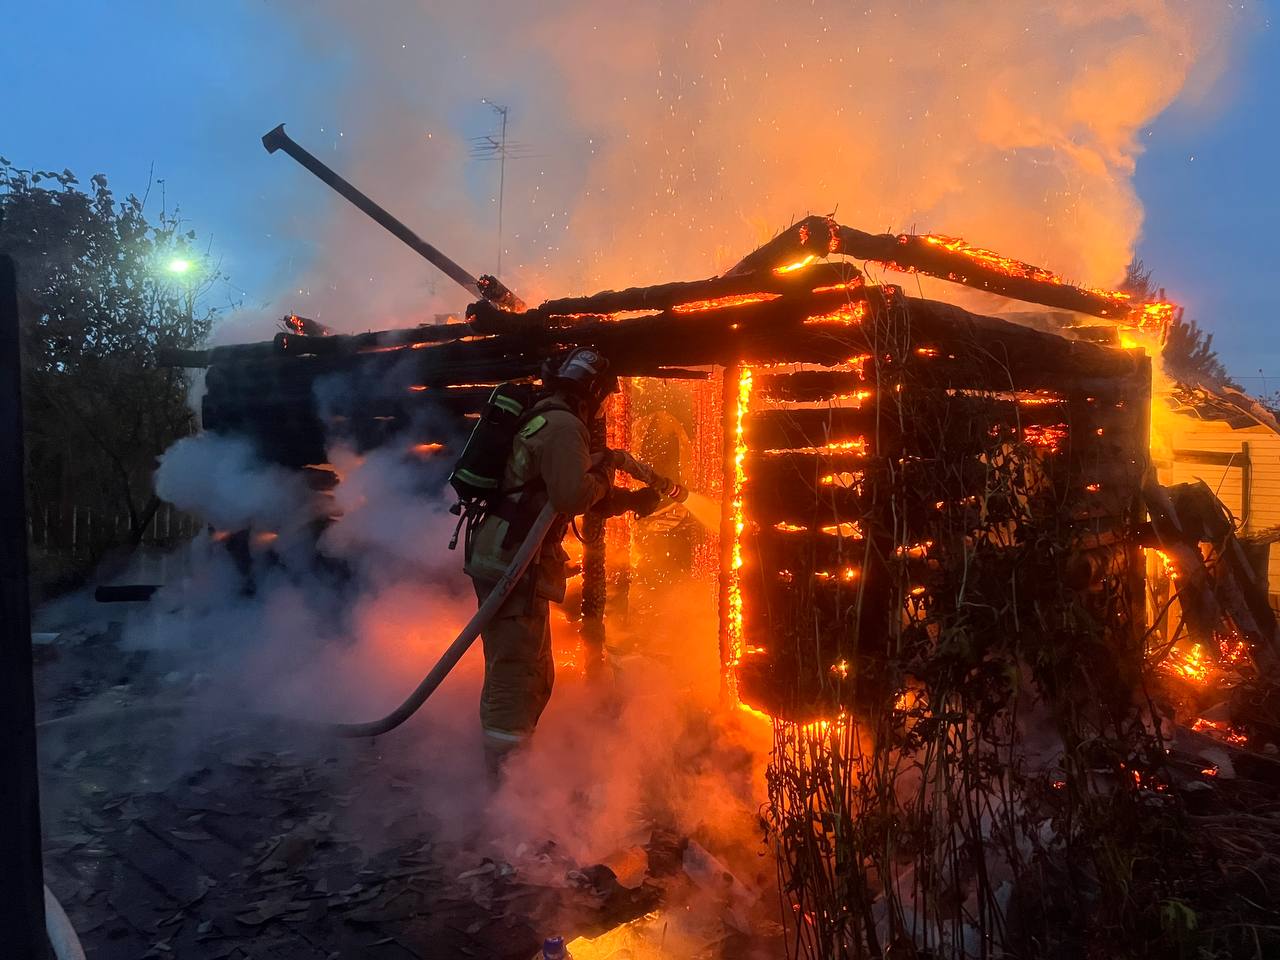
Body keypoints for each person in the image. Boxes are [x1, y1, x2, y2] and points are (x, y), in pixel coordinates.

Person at [463, 347, 658, 780]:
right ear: (591, 392)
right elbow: (572, 495)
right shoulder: (565, 427)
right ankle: (502, 782)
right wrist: (609, 476)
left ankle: (513, 764)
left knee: (529, 667)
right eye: (604, 397)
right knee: (517, 670)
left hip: (507, 554)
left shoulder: (546, 419)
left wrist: (628, 500)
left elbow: (551, 495)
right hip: (512, 561)